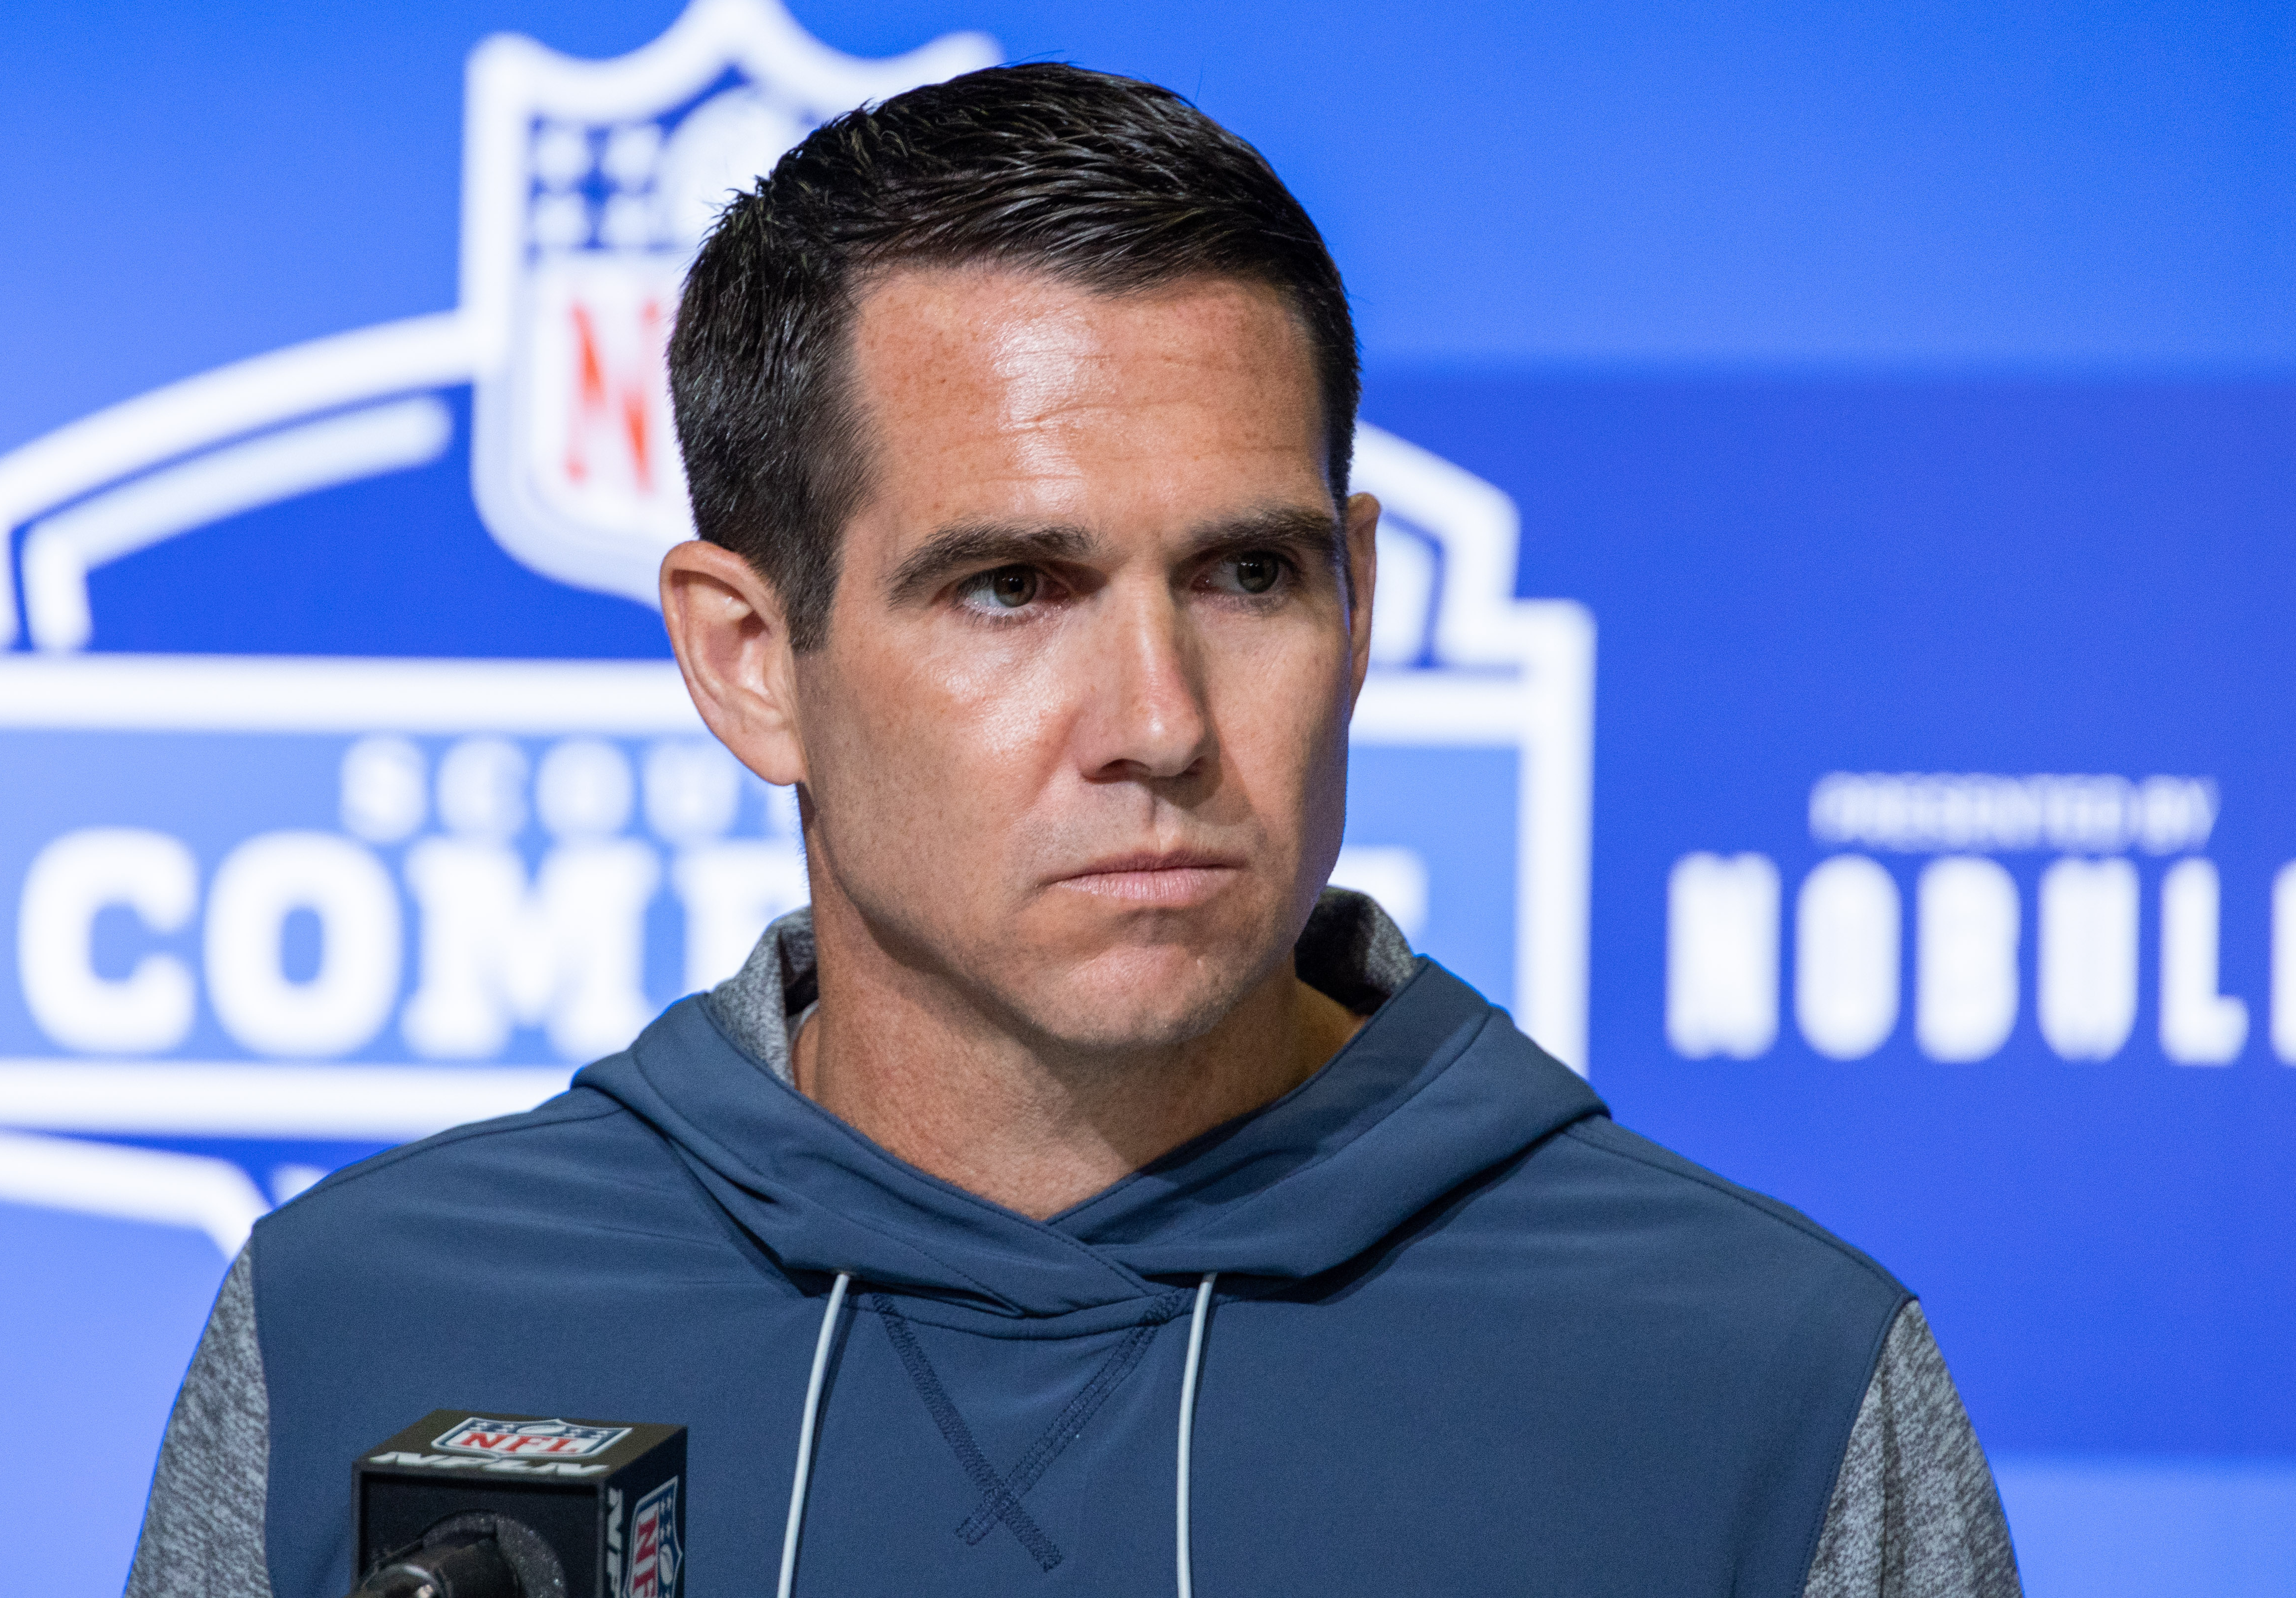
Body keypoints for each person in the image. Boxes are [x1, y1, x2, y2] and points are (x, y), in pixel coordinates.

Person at [127, 64, 2020, 1598]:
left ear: (1358, 606)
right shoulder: (368, 1326)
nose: (1161, 724)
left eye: (1250, 574)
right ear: (746, 659)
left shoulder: (1762, 1384)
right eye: (1015, 587)